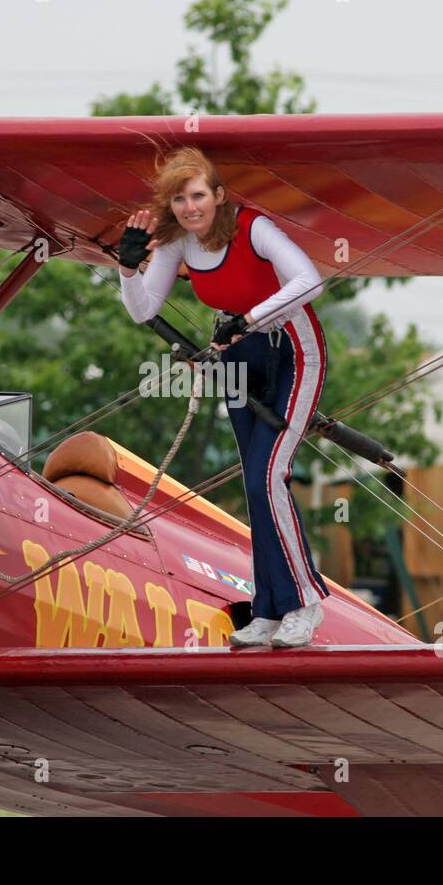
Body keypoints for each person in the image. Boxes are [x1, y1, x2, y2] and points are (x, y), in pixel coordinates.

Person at [116, 147, 329, 648]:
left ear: (218, 195)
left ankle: (306, 602)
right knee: (255, 486)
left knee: (268, 475)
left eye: (197, 196)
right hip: (238, 358)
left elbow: (309, 281)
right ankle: (269, 611)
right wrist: (128, 270)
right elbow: (143, 308)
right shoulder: (177, 244)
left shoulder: (253, 228)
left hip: (292, 352)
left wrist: (250, 319)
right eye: (179, 200)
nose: (190, 208)